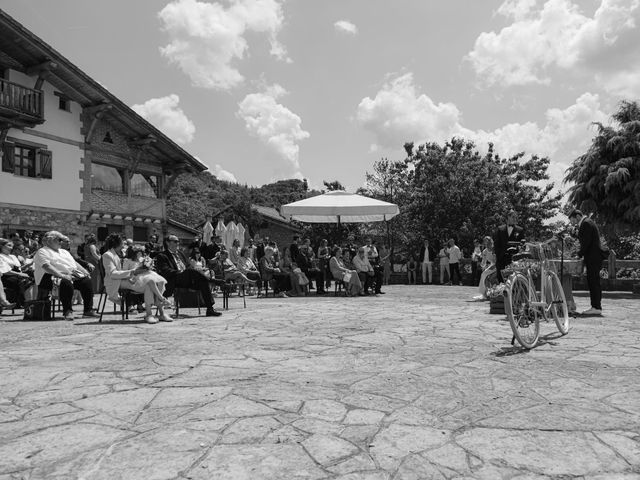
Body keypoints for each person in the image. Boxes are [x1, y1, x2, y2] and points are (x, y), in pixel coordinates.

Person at [103, 234, 171, 323]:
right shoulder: (108, 255)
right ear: (117, 244)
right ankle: (152, 313)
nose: (124, 244)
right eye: (122, 242)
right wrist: (133, 272)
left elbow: (134, 258)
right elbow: (112, 274)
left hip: (129, 277)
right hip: (117, 281)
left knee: (158, 281)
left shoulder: (121, 252)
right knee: (148, 284)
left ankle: (158, 313)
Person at [32, 231, 98, 320]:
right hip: (48, 277)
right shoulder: (42, 251)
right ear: (50, 240)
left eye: (61, 240)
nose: (61, 242)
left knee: (86, 281)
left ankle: (88, 310)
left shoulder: (64, 252)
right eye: (59, 240)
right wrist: (61, 275)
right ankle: (68, 311)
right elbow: (47, 267)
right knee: (65, 282)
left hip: (69, 274)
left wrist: (84, 271)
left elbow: (74, 263)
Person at [155, 235, 221, 317]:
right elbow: (165, 271)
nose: (177, 243)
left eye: (178, 241)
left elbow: (188, 266)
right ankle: (212, 280)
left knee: (203, 282)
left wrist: (189, 271)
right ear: (168, 243)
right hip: (175, 279)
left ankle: (210, 309)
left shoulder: (180, 254)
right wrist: (180, 272)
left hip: (187, 279)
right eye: (175, 241)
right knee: (191, 271)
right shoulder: (162, 256)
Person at [569, 209, 608, 315]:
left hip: (593, 257)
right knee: (593, 281)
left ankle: (596, 307)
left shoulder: (586, 223)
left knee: (593, 282)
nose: (572, 222)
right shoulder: (587, 222)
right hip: (593, 257)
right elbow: (584, 237)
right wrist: (575, 234)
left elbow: (586, 242)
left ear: (577, 216)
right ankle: (595, 306)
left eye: (572, 219)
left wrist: (579, 254)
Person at [494, 209, 526, 283]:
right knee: (501, 281)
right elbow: (496, 244)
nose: (515, 219)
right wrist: (498, 255)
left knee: (513, 282)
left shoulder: (520, 230)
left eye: (516, 217)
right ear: (508, 217)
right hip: (501, 259)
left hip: (514, 260)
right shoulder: (500, 229)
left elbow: (523, 245)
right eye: (513, 217)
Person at [0, 238, 33, 307]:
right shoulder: (1, 256)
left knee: (33, 278)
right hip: (7, 277)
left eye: (12, 246)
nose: (11, 248)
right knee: (26, 281)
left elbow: (19, 269)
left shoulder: (13, 256)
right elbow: (5, 271)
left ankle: (32, 302)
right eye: (9, 245)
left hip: (17, 275)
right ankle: (27, 303)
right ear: (1, 246)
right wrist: (20, 274)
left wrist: (28, 266)